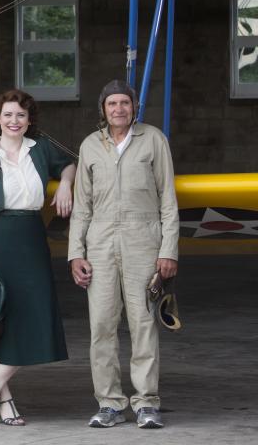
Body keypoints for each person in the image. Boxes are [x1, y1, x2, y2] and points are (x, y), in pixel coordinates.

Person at [68, 80, 179, 429]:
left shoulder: (154, 140)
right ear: (102, 109)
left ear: (134, 107)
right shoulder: (90, 145)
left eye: (125, 103)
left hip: (143, 240)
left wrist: (168, 249)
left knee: (143, 322)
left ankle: (146, 402)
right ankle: (110, 403)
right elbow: (82, 206)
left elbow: (168, 200)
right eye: (112, 103)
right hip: (99, 242)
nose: (119, 109)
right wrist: (76, 253)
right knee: (101, 324)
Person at [0, 89, 75, 426]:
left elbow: (69, 164)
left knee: (35, 317)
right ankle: (4, 400)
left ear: (29, 121)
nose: (14, 121)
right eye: (8, 115)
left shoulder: (40, 150)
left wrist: (66, 184)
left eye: (21, 116)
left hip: (31, 237)